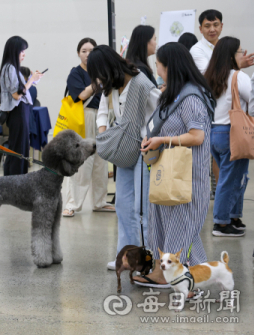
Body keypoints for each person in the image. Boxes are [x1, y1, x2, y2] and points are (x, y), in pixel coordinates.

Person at [134, 43, 215, 291]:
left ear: (169, 66)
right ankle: (169, 272)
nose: (156, 68)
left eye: (158, 64)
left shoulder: (191, 97)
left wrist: (161, 140)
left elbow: (197, 136)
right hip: (168, 174)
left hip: (187, 178)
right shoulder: (175, 93)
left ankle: (180, 279)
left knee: (180, 227)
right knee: (167, 224)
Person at [90, 45, 160, 270]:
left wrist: (151, 138)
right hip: (123, 151)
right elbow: (102, 110)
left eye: (99, 73)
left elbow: (160, 112)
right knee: (123, 205)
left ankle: (148, 261)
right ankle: (127, 257)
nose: (99, 80)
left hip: (143, 151)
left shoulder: (141, 84)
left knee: (142, 209)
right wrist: (104, 135)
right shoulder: (111, 86)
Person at [205, 37, 254, 237]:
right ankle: (221, 223)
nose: (243, 55)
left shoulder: (210, 76)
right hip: (232, 132)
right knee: (231, 178)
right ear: (232, 55)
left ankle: (233, 216)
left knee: (234, 176)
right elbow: (252, 103)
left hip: (214, 132)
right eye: (241, 52)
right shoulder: (238, 77)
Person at [62, 38, 114, 218]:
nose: (87, 54)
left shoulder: (102, 72)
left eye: (91, 50)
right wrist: (97, 82)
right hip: (84, 117)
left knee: (101, 162)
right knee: (81, 164)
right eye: (84, 50)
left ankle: (99, 202)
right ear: (78, 53)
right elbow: (82, 95)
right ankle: (72, 204)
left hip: (102, 118)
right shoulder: (75, 73)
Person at [0, 36, 43, 175]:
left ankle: (16, 181)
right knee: (18, 149)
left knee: (20, 147)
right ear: (14, 51)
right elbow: (17, 94)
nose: (24, 54)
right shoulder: (10, 68)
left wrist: (33, 81)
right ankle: (16, 182)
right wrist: (31, 80)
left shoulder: (12, 68)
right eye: (22, 51)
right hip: (18, 111)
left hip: (21, 111)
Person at [190, 9, 254, 74]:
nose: (212, 30)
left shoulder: (227, 45)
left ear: (221, 26)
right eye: (207, 26)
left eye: (215, 25)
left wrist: (239, 62)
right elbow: (208, 75)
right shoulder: (196, 50)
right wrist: (238, 65)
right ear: (200, 29)